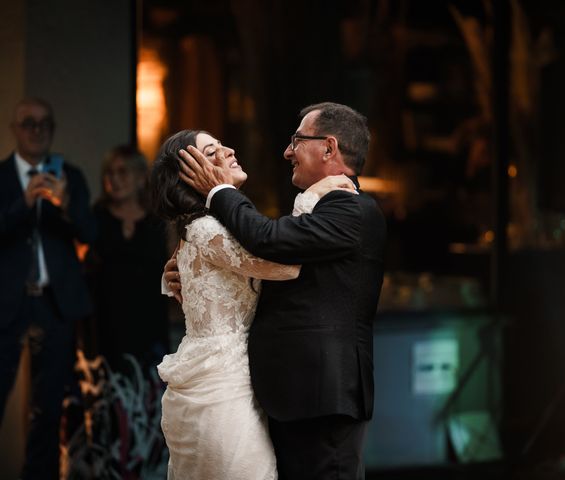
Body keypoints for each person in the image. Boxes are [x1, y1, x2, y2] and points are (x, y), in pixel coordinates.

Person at [170, 102, 387, 480]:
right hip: (289, 398)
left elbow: (270, 243)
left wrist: (218, 190)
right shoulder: (318, 209)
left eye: (297, 140)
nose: (288, 151)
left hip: (322, 398)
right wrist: (193, 274)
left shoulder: (352, 210)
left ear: (329, 148)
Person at [0, 97, 96, 479]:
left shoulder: (69, 176)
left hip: (55, 305)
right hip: (7, 304)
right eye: (29, 123)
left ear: (52, 130)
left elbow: (91, 233)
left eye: (44, 124)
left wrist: (66, 204)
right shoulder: (1, 178)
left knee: (49, 407)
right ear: (16, 130)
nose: (37, 130)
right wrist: (24, 203)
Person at [86, 145, 169, 371]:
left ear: (141, 177)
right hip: (107, 325)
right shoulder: (96, 217)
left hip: (149, 324)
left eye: (122, 172)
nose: (114, 179)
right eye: (109, 173)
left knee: (148, 394)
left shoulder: (157, 221)